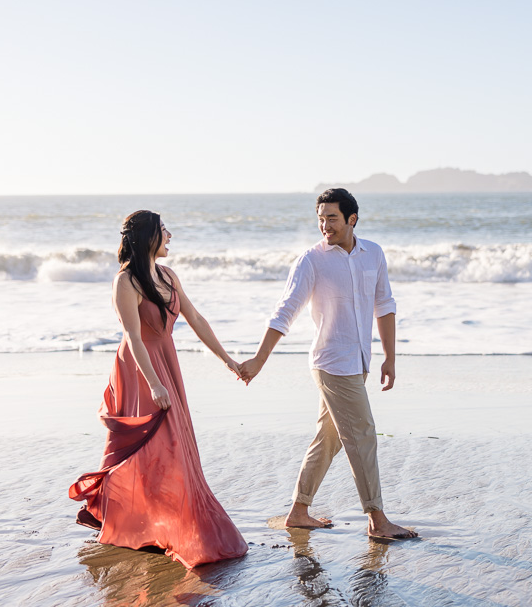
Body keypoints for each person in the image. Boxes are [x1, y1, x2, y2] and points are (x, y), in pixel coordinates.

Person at [69, 210, 248, 569]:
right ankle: (128, 519)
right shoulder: (126, 281)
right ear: (149, 236)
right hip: (139, 369)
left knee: (173, 443)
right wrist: (153, 383)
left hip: (165, 359)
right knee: (150, 442)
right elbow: (133, 337)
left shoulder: (168, 275)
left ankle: (157, 523)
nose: (170, 236)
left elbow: (196, 319)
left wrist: (228, 360)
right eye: (164, 230)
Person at [239, 189, 417, 540]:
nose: (324, 226)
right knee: (363, 436)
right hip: (332, 363)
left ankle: (298, 511)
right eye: (320, 218)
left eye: (332, 218)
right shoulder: (312, 260)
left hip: (359, 361)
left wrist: (390, 358)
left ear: (352, 219)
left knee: (330, 437)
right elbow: (285, 310)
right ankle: (377, 521)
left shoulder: (373, 254)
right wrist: (260, 358)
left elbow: (385, 305)